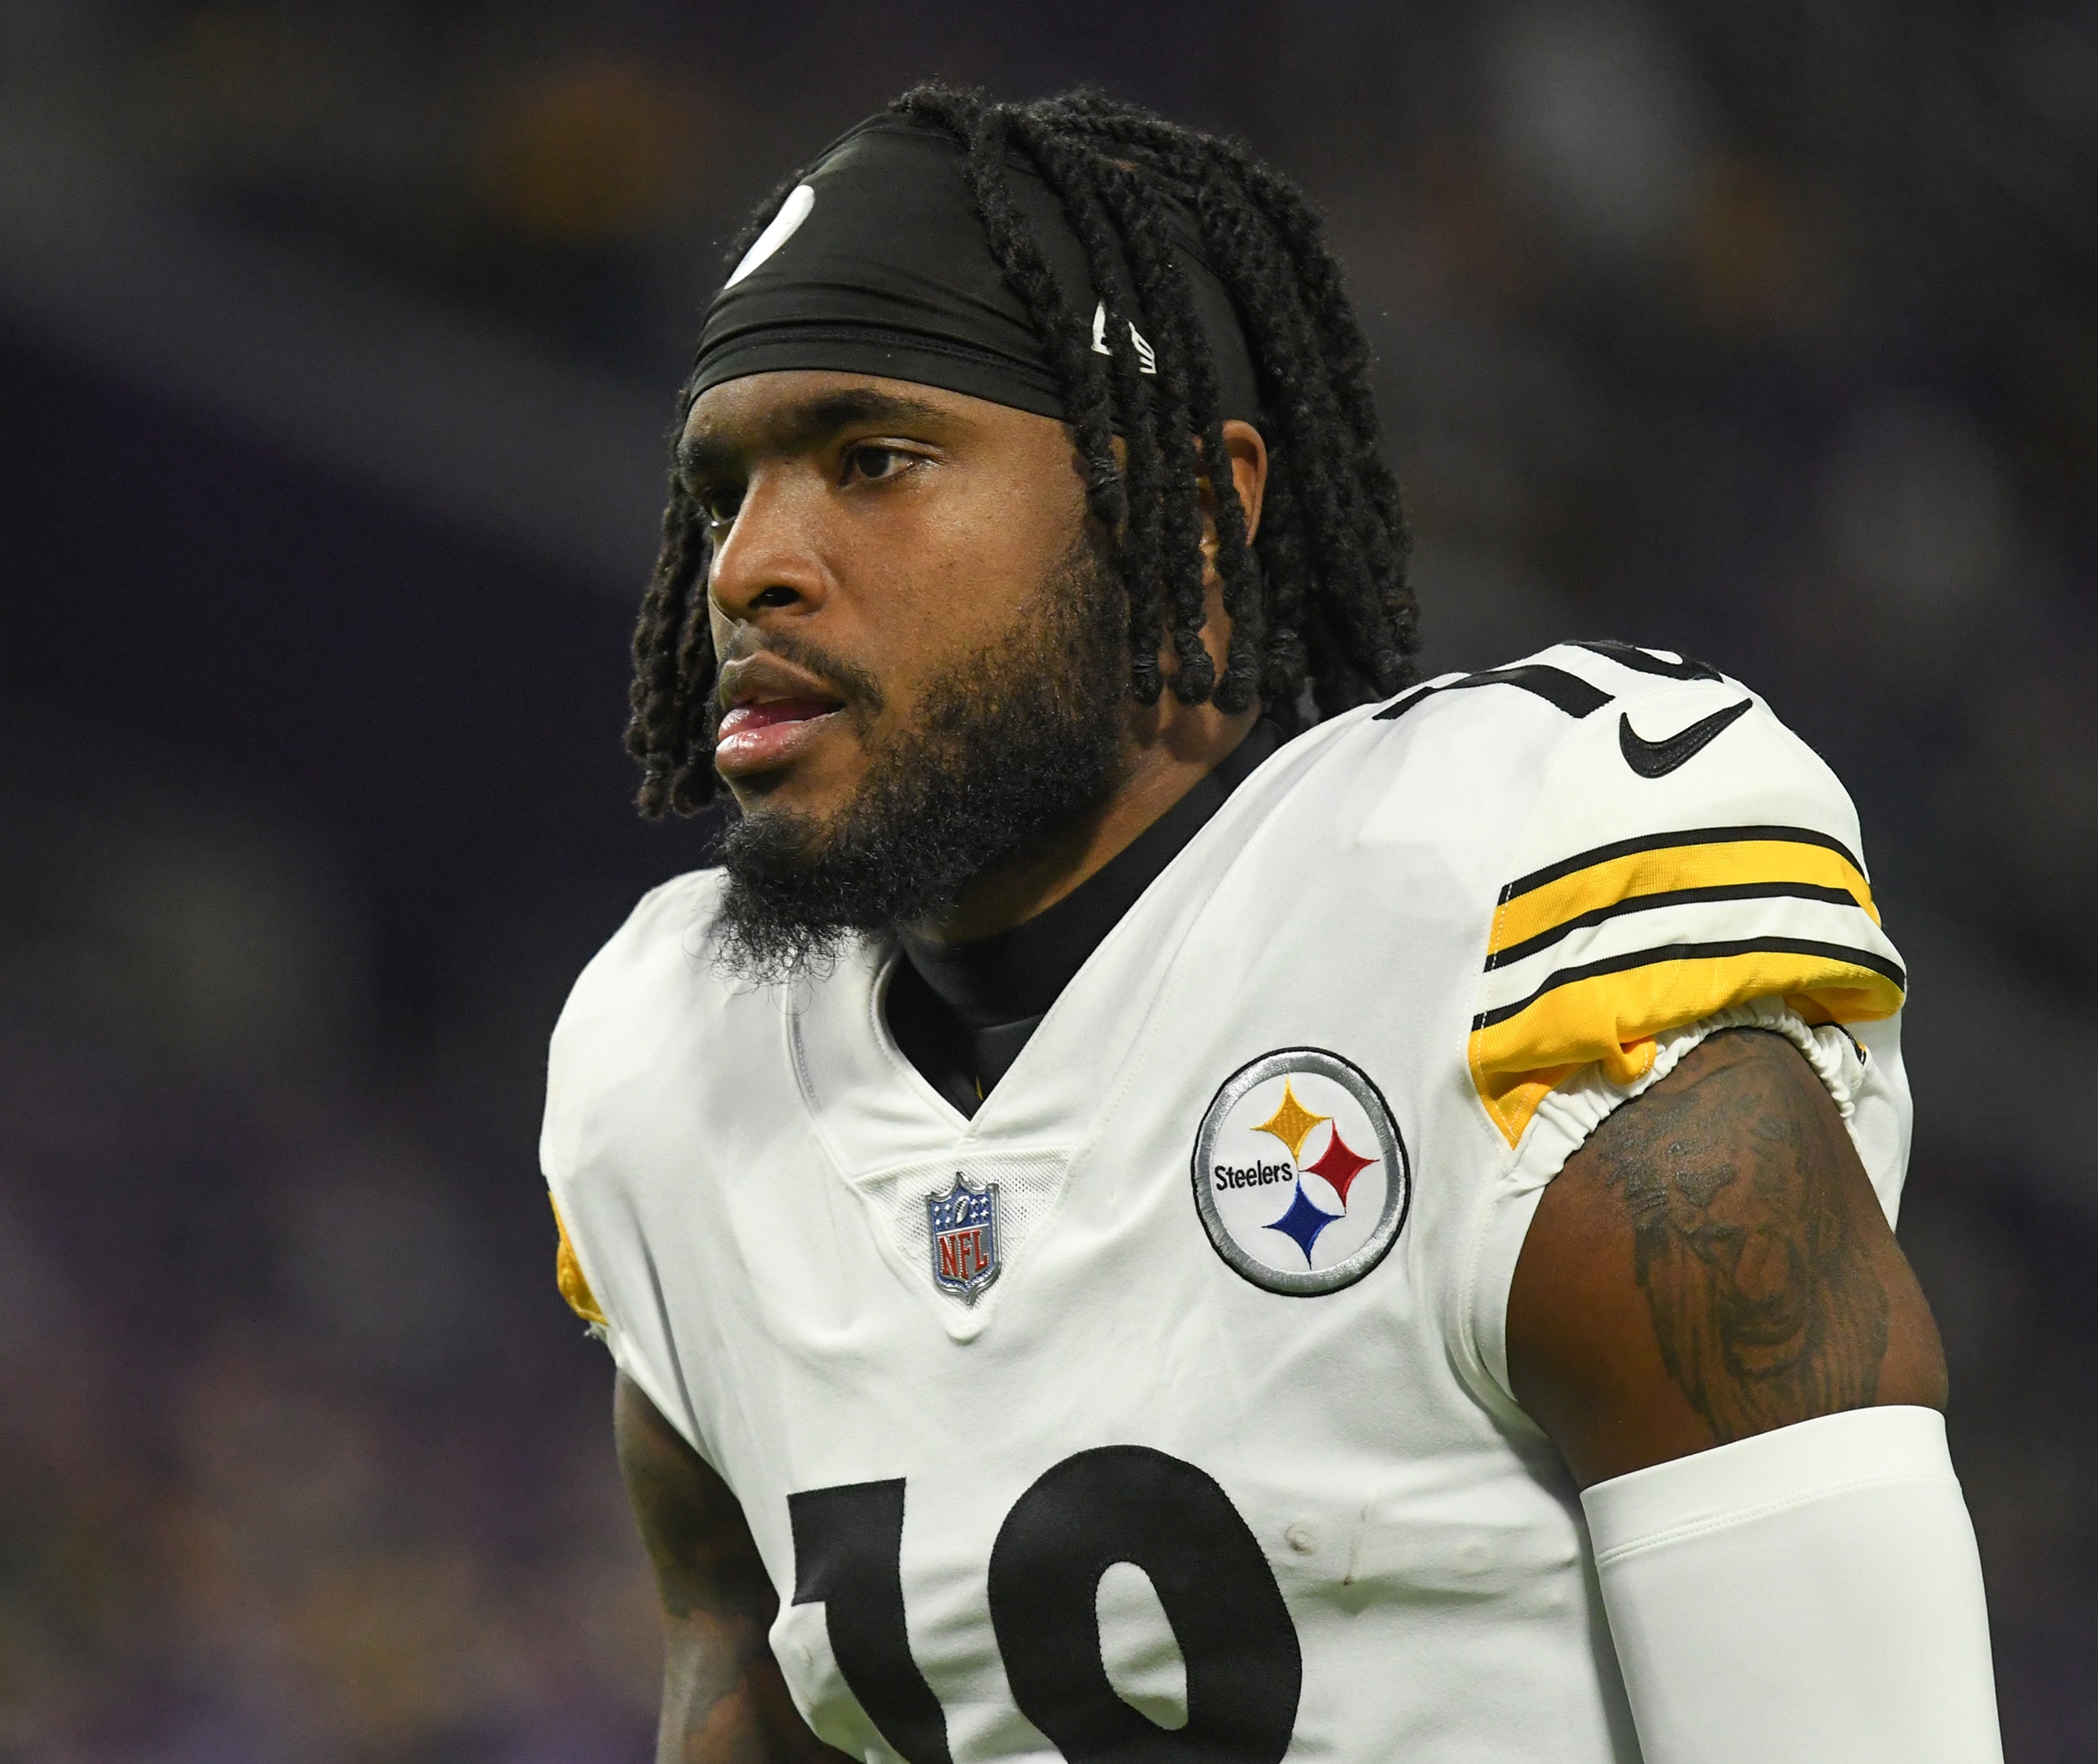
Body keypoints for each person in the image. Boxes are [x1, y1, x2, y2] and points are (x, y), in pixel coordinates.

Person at [542, 87, 2002, 1764]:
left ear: (1189, 503)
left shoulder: (1493, 925)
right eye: (725, 490)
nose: (751, 566)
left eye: (874, 462)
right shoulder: (681, 1079)